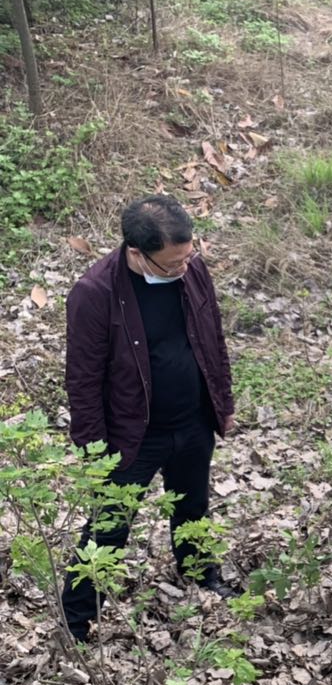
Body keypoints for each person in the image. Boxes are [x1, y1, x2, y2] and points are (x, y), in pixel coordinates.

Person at [62, 195, 236, 642]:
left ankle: (201, 575)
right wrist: (95, 453)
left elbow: (212, 336)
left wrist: (222, 401)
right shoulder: (95, 294)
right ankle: (76, 622)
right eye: (173, 263)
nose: (184, 267)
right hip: (130, 436)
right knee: (108, 529)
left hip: (192, 420)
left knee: (192, 507)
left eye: (188, 255)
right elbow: (82, 380)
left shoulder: (191, 268)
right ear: (137, 253)